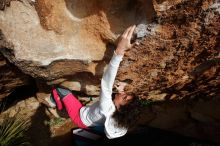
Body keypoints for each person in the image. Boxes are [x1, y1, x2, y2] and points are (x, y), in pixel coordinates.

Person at [47, 25, 142, 139]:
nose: (123, 94)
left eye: (124, 98)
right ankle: (63, 103)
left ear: (118, 108)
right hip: (89, 122)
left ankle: (55, 103)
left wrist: (120, 50)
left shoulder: (106, 108)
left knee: (60, 90)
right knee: (106, 97)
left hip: (79, 116)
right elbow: (113, 97)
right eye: (126, 95)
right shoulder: (117, 116)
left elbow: (106, 83)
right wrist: (123, 89)